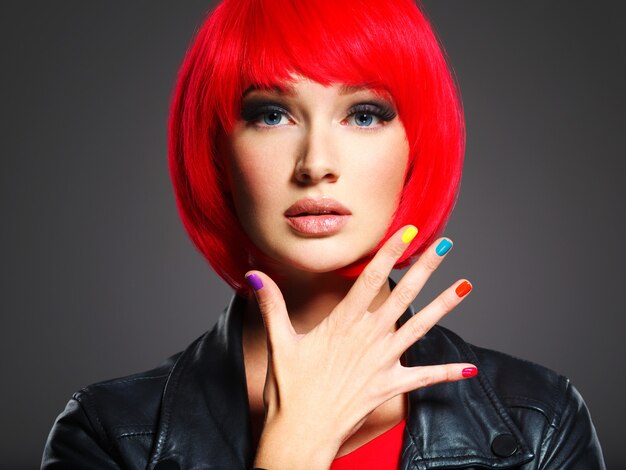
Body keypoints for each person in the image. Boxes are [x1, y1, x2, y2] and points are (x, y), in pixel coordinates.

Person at [42, 0, 605, 468]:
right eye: (270, 114)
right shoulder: (109, 435)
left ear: (416, 145)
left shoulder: (541, 423)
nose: (315, 164)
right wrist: (297, 442)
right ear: (218, 150)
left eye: (364, 114)